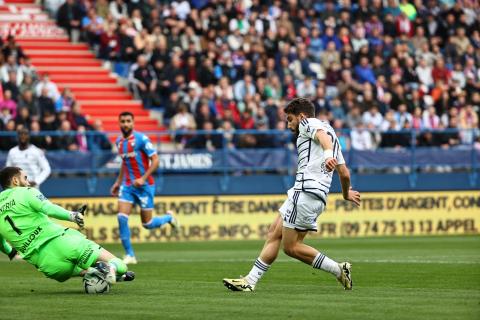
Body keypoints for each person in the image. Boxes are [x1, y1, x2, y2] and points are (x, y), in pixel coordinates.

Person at [223, 98, 361, 291]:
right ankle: (250, 281)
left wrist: (328, 154)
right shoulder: (333, 134)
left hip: (306, 193)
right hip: (306, 194)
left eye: (290, 119)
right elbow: (344, 173)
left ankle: (339, 270)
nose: (289, 125)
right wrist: (346, 194)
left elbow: (322, 137)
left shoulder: (309, 123)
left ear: (302, 116)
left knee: (291, 247)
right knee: (273, 233)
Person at [0, 166, 134, 285]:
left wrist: (9, 251)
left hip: (48, 265)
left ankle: (102, 274)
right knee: (121, 265)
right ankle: (113, 270)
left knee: (82, 270)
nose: (28, 182)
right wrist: (73, 216)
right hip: (64, 244)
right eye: (25, 178)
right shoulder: (26, 192)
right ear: (15, 181)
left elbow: (1, 242)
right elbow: (49, 208)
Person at [110, 112, 178, 265]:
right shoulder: (119, 142)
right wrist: (118, 182)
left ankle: (169, 218)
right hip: (127, 186)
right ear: (119, 123)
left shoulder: (141, 139)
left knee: (147, 224)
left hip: (145, 186)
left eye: (128, 121)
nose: (126, 124)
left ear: (133, 123)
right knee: (121, 217)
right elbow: (124, 163)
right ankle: (130, 255)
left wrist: (143, 178)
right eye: (123, 121)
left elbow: (155, 160)